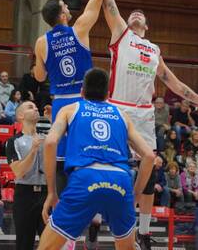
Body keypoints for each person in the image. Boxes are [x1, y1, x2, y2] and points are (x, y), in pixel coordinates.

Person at [85, 0, 198, 249]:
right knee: (107, 167)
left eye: (139, 14)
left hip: (144, 115)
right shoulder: (121, 34)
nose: (134, 14)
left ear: (146, 24)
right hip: (118, 109)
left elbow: (176, 85)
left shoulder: (153, 49)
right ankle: (95, 217)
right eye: (131, 13)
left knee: (149, 171)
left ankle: (143, 232)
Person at [33, 0, 119, 189]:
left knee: (61, 159)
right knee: (87, 157)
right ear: (62, 14)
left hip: (60, 103)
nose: (67, 6)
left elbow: (38, 78)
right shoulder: (79, 29)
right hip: (84, 102)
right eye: (64, 5)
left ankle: (60, 208)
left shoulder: (41, 42)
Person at [38, 67, 155, 250]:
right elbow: (148, 155)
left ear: (82, 91)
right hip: (120, 180)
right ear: (108, 94)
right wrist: (135, 196)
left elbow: (51, 142)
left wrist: (52, 192)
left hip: (85, 177)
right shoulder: (122, 115)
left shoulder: (70, 109)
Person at [6, 101, 48, 250]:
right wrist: (34, 149)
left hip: (46, 194)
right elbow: (19, 171)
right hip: (25, 195)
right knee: (24, 244)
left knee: (50, 243)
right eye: (30, 107)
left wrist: (52, 121)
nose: (36, 108)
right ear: (20, 115)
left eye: (36, 106)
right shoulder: (14, 141)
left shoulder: (48, 138)